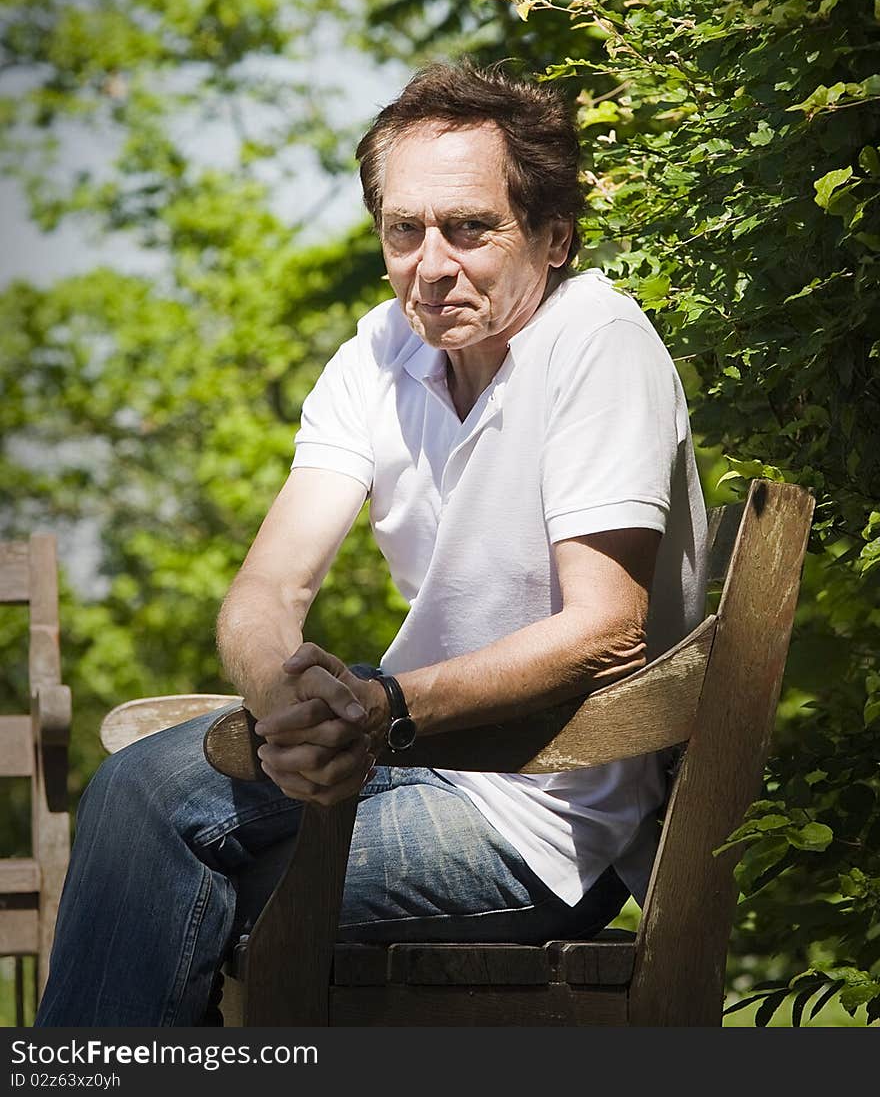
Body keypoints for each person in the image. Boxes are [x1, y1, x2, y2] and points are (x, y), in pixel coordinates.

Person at [36, 60, 707, 1027]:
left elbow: (607, 629)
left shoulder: (599, 342)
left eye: (469, 228)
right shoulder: (377, 354)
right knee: (136, 792)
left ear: (553, 239)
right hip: (408, 748)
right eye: (405, 230)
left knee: (162, 874)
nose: (431, 264)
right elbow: (265, 595)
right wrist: (288, 712)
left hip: (544, 820)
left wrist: (382, 707)